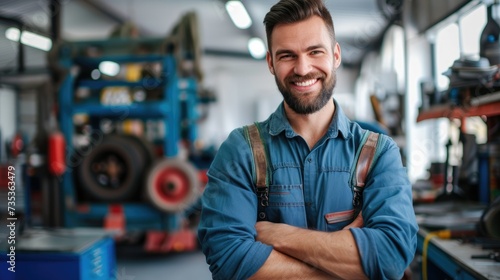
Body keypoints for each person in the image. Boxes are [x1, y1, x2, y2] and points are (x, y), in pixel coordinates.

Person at [198, 0, 418, 279]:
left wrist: (279, 235)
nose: (302, 69)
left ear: (336, 55)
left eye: (315, 52)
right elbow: (229, 260)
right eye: (287, 55)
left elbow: (391, 256)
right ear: (271, 63)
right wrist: (346, 265)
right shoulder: (241, 151)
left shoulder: (378, 153)